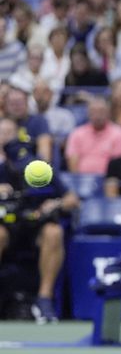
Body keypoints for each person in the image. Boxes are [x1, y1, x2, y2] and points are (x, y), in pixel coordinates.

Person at [0, 137, 79, 323]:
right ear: (9, 160)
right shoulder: (2, 171)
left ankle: (44, 300)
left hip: (37, 228)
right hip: (8, 227)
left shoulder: (45, 172)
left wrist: (56, 204)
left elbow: (73, 199)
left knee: (54, 232)